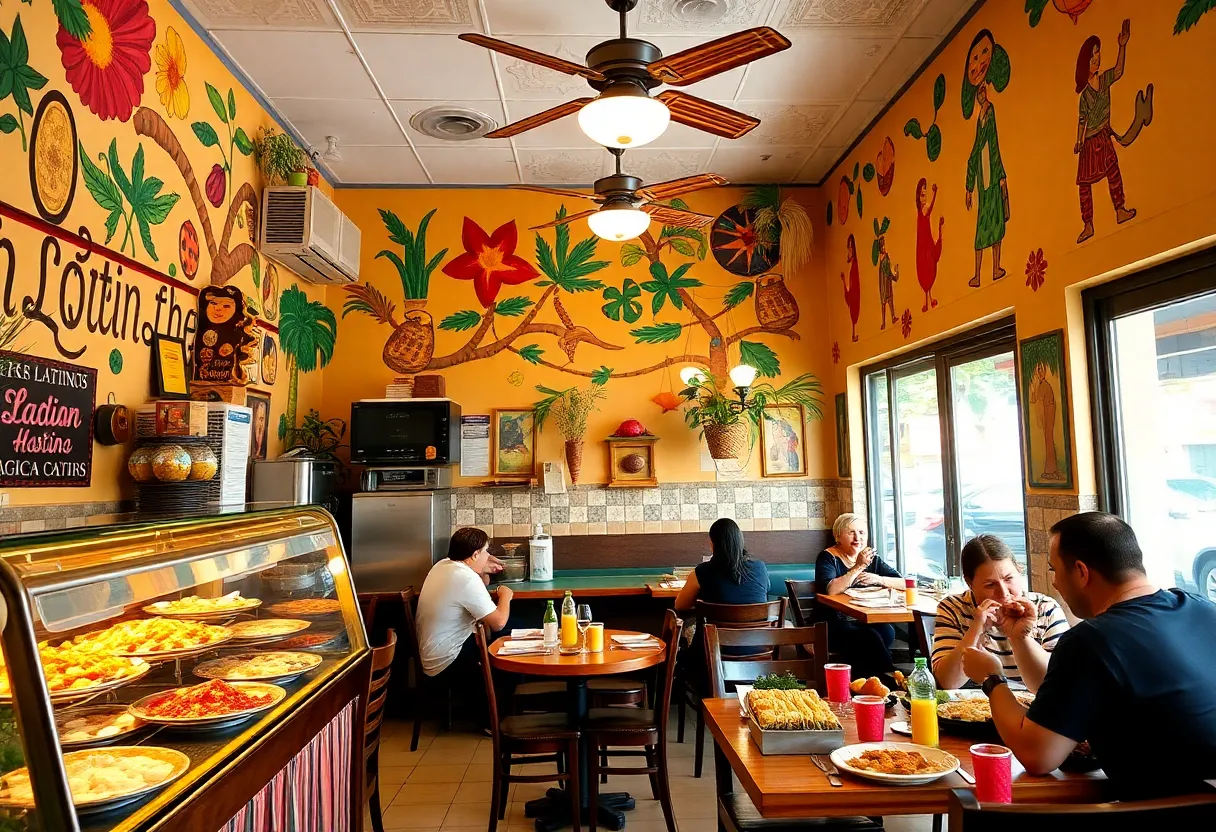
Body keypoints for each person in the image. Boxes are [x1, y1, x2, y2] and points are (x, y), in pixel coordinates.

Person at [963, 512, 1216, 798]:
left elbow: (1038, 756)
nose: (1055, 583)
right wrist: (1020, 639)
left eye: (1055, 570)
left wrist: (992, 678)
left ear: (1081, 572)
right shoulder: (1204, 609)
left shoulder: (1089, 641)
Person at [932, 534, 1069, 692]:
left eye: (1009, 579)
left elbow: (1058, 683)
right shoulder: (954, 608)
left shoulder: (1045, 608)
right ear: (970, 584)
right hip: (973, 708)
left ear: (1019, 571)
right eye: (990, 585)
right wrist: (976, 630)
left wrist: (1021, 637)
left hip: (1035, 708)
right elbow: (947, 682)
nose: (1003, 593)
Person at [415, 527, 508, 723]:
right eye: (485, 551)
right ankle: (494, 720)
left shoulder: (444, 565)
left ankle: (496, 714)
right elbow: (498, 622)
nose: (488, 555)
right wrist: (506, 595)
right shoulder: (465, 578)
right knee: (507, 644)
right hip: (446, 663)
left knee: (505, 638)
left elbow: (477, 593)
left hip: (434, 655)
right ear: (474, 555)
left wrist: (483, 570)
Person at [676, 518, 771, 677]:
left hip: (712, 657)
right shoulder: (760, 568)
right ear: (740, 541)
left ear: (712, 544)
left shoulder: (702, 572)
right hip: (757, 654)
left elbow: (680, 605)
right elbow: (764, 592)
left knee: (686, 632)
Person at [814, 513, 905, 680]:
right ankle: (889, 676)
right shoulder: (828, 558)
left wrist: (880, 579)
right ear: (838, 536)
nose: (857, 538)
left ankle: (866, 679)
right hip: (831, 623)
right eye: (851, 533)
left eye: (862, 533)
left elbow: (905, 583)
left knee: (887, 631)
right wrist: (858, 567)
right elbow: (831, 590)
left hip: (863, 619)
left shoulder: (872, 559)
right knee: (867, 636)